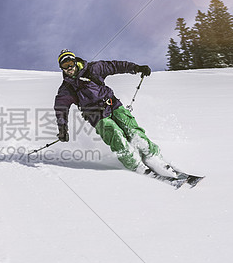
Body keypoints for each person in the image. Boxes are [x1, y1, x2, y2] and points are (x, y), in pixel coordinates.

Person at [53, 49, 182, 179]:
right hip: (95, 115)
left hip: (112, 104)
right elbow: (61, 109)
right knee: (114, 133)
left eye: (70, 63)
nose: (69, 68)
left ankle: (153, 156)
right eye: (65, 65)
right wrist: (62, 129)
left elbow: (115, 66)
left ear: (75, 62)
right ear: (61, 68)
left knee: (133, 130)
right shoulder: (66, 89)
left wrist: (136, 68)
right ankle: (135, 164)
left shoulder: (93, 69)